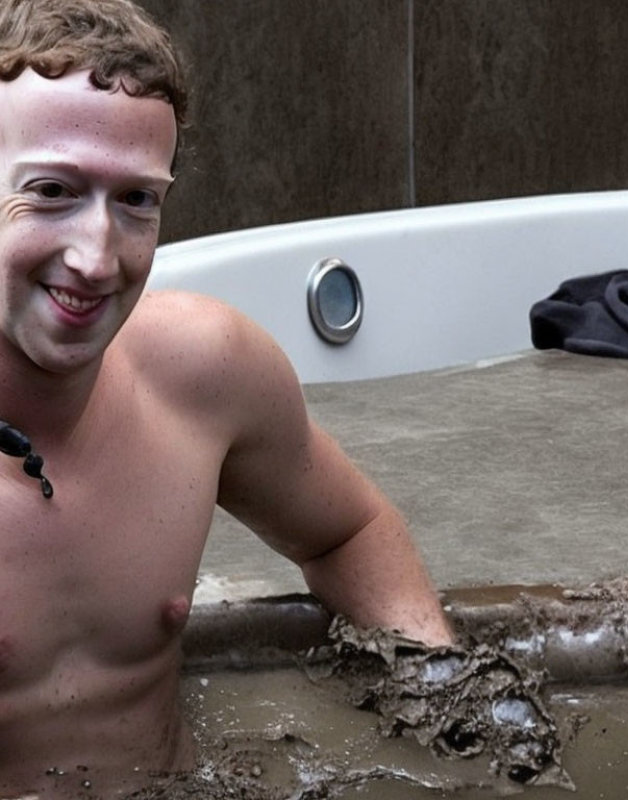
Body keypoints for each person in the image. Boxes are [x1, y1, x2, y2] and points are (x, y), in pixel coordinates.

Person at [0, 0, 454, 796]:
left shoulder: (203, 373)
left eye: (137, 200)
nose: (96, 258)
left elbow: (349, 531)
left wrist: (441, 696)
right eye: (52, 191)